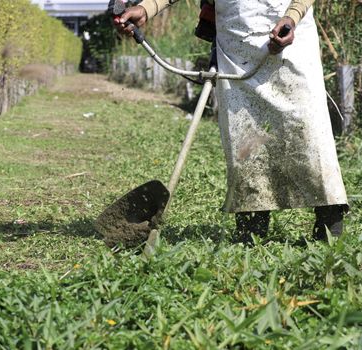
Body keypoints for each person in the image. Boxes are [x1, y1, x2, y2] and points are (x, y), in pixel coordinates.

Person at [114, 0, 349, 244]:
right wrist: (146, 8)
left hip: (291, 36)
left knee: (309, 131)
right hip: (235, 42)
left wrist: (292, 16)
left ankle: (329, 224)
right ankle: (251, 228)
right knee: (245, 137)